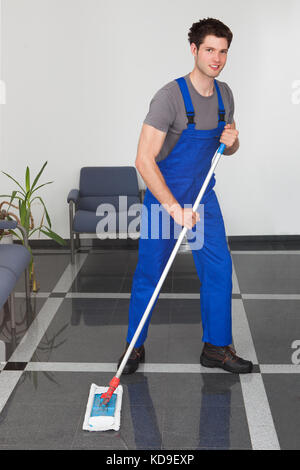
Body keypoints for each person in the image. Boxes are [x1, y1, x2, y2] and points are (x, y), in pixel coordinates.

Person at [118, 18, 253, 375]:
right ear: (194, 50)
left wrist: (233, 142)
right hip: (165, 198)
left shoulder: (225, 95)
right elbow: (143, 161)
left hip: (203, 197)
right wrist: (175, 209)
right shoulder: (169, 97)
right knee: (150, 271)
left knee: (219, 269)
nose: (217, 58)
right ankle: (133, 347)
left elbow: (228, 149)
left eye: (223, 51)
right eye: (210, 50)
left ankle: (216, 347)